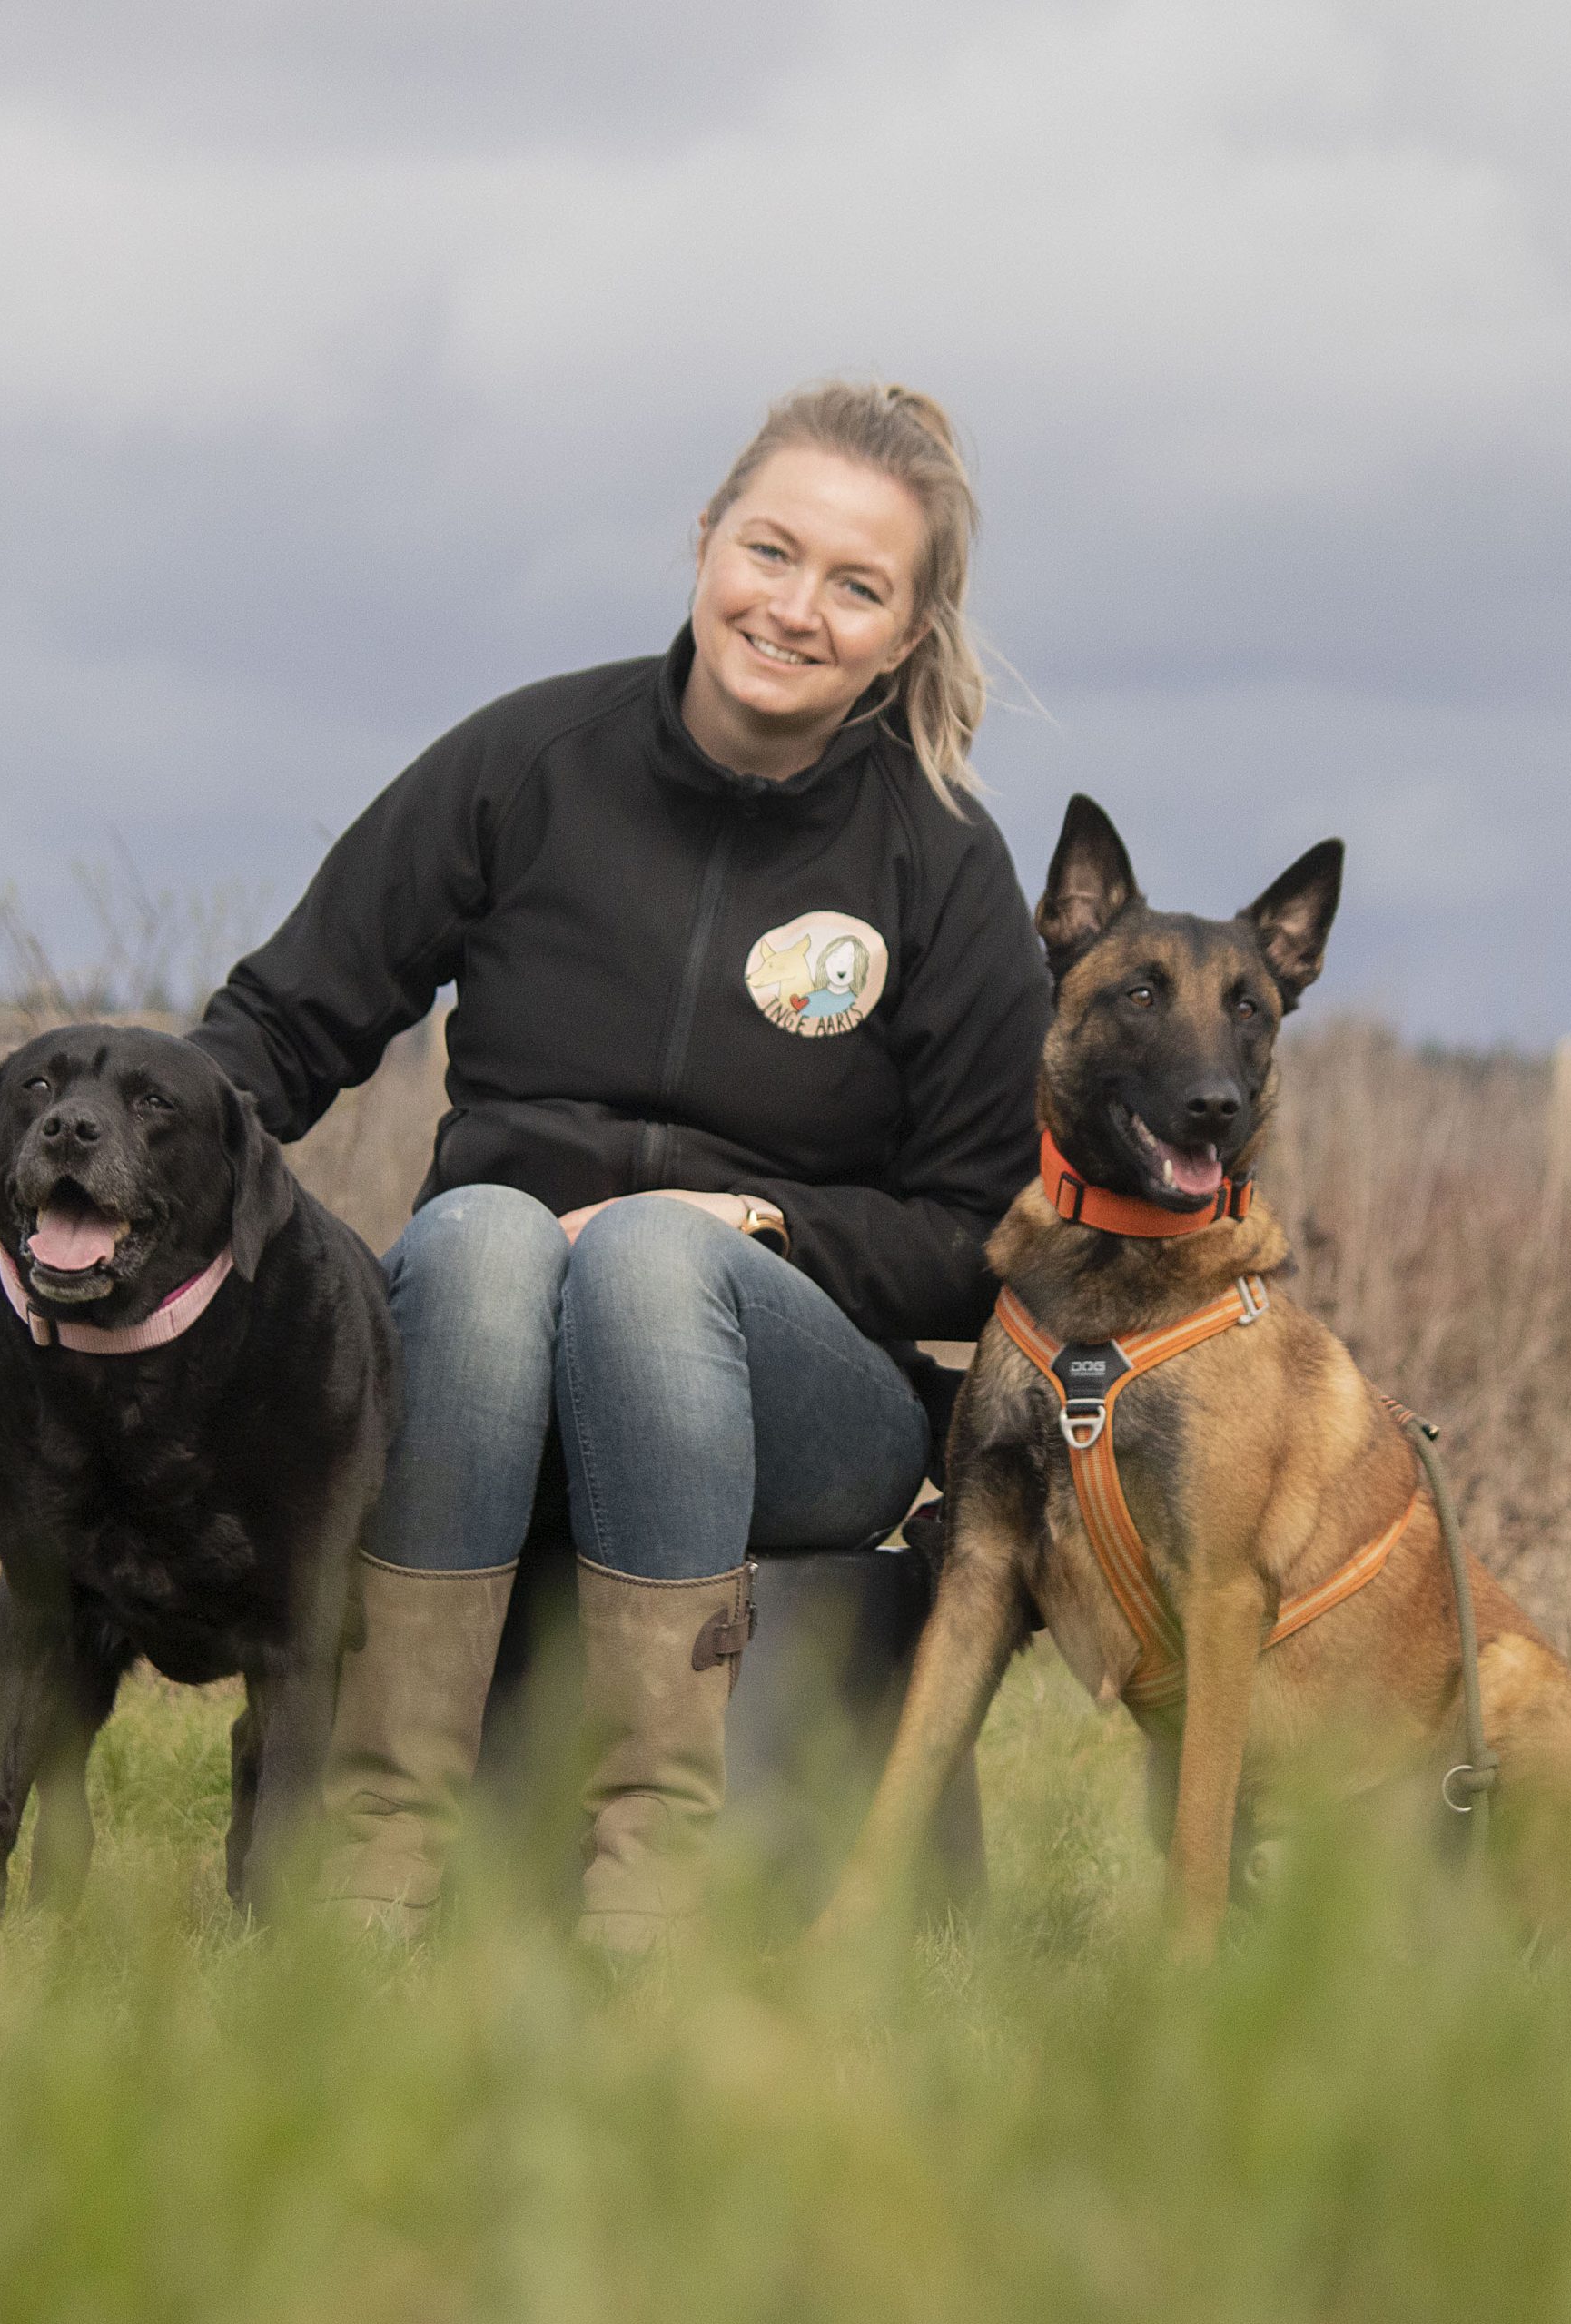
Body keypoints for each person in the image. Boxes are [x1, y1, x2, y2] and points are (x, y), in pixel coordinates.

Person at [189, 379, 1049, 1949]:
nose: (795, 608)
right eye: (770, 551)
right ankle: (376, 1854)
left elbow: (982, 1238)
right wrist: (120, 1195)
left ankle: (650, 1877)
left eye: (856, 585)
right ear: (704, 539)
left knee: (650, 1257)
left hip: (801, 1398)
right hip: (484, 1357)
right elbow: (281, 1025)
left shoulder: (943, 863)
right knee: (480, 1236)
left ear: (909, 632)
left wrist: (754, 1226)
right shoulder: (530, 765)